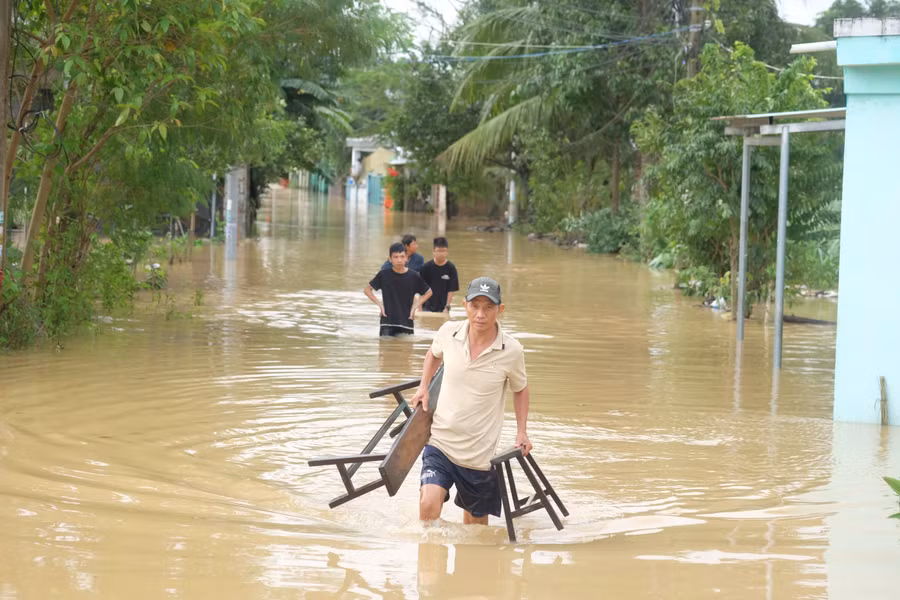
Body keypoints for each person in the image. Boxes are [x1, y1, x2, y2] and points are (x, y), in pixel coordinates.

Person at [410, 277, 531, 525]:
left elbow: (521, 389)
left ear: (501, 309)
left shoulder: (512, 350)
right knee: (427, 505)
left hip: (478, 456)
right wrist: (424, 387)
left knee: (476, 530)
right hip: (441, 442)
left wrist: (522, 432)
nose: (481, 314)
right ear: (464, 305)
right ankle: (431, 561)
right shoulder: (448, 332)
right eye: (475, 306)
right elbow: (432, 355)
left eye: (489, 307)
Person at [365, 242, 432, 337]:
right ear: (390, 259)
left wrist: (415, 307)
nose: (399, 260)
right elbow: (367, 290)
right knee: (385, 349)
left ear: (406, 258)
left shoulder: (414, 276)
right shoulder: (384, 274)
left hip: (406, 322)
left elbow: (429, 292)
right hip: (387, 323)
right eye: (396, 257)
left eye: (402, 256)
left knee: (406, 350)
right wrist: (380, 305)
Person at [418, 237, 460, 314]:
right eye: (438, 251)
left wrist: (447, 307)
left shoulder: (451, 268)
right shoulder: (426, 267)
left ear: (447, 252)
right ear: (434, 252)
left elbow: (451, 290)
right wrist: (419, 308)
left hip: (443, 307)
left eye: (443, 251)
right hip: (426, 307)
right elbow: (421, 289)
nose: (441, 254)